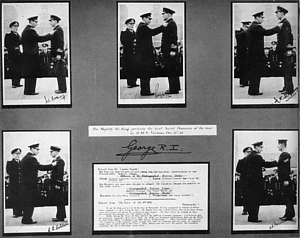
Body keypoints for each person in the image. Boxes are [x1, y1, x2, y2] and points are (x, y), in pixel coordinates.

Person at [20, 143, 56, 224]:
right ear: (32, 149)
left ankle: (25, 218)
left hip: (25, 184)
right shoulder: (31, 159)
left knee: (27, 201)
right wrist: (52, 165)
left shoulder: (25, 158)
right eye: (37, 149)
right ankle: (27, 220)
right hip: (30, 185)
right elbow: (40, 167)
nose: (38, 151)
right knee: (30, 201)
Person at [246, 11, 281, 96]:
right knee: (256, 73)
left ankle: (252, 90)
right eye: (262, 17)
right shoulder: (257, 27)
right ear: (257, 18)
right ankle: (254, 91)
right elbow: (267, 32)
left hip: (252, 54)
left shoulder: (252, 27)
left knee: (254, 72)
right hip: (256, 55)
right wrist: (278, 27)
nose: (262, 19)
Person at [243, 141, 277, 222]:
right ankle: (254, 218)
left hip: (249, 182)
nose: (262, 149)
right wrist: (276, 162)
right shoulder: (256, 156)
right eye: (261, 147)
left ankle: (251, 217)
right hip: (256, 182)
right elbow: (265, 164)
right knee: (256, 200)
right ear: (257, 147)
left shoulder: (249, 156)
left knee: (251, 199)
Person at [21, 16, 53, 95]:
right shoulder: (30, 31)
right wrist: (50, 35)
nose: (36, 23)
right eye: (35, 21)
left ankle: (27, 90)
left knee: (28, 74)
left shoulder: (25, 30)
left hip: (27, 55)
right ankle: (31, 91)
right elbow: (40, 39)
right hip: (32, 56)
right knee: (32, 73)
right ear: (31, 21)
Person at [136, 13, 166, 96]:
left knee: (145, 74)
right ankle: (145, 91)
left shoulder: (141, 26)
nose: (150, 20)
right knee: (145, 73)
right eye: (149, 19)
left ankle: (145, 90)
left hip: (143, 56)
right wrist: (162, 27)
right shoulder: (143, 27)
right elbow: (152, 32)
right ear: (144, 18)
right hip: (144, 56)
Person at [274, 6, 294, 95]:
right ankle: (286, 87)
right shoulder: (283, 23)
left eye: (277, 13)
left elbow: (288, 37)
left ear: (282, 13)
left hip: (285, 51)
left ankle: (289, 89)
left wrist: (288, 49)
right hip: (283, 51)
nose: (276, 15)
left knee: (287, 70)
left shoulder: (285, 23)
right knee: (285, 69)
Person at [161, 7, 180, 94]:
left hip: (169, 51)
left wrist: (172, 50)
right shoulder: (170, 23)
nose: (162, 15)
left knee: (171, 69)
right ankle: (175, 88)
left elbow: (174, 38)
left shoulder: (171, 24)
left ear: (168, 14)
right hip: (168, 50)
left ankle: (173, 89)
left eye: (163, 13)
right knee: (172, 69)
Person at [277, 139, 295, 221]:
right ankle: (289, 213)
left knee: (287, 197)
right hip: (283, 179)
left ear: (282, 145)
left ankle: (289, 214)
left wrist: (286, 179)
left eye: (279, 144)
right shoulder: (283, 155)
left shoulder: (285, 155)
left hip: (285, 180)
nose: (277, 146)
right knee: (287, 196)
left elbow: (286, 169)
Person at [49, 146, 66, 222]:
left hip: (57, 184)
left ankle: (61, 216)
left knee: (60, 200)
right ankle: (59, 215)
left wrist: (58, 184)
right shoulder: (56, 160)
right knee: (58, 199)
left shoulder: (60, 161)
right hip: (55, 183)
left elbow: (60, 174)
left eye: (51, 152)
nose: (50, 153)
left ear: (56, 152)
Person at [120, 18, 139, 88]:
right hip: (127, 54)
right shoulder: (124, 33)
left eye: (133, 24)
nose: (132, 25)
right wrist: (132, 42)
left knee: (135, 68)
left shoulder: (135, 33)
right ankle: (129, 83)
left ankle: (134, 82)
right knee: (128, 68)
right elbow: (123, 42)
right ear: (127, 25)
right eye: (130, 24)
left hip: (134, 54)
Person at [4, 21, 23, 88]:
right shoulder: (8, 35)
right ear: (11, 27)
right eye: (14, 26)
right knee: (13, 69)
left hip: (18, 54)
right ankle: (14, 83)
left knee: (19, 68)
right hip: (12, 54)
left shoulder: (18, 35)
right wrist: (14, 48)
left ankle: (18, 82)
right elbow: (6, 44)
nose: (16, 28)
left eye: (17, 26)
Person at [6, 148, 23, 218]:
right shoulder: (10, 163)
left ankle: (20, 211)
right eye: (16, 154)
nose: (18, 155)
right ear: (13, 154)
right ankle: (15, 212)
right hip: (14, 183)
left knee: (20, 197)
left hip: (21, 183)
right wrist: (19, 173)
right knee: (14, 197)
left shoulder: (21, 162)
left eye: (19, 154)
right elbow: (9, 172)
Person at [236, 146, 252, 215]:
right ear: (244, 153)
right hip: (244, 180)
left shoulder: (252, 161)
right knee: (245, 195)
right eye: (247, 152)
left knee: (251, 195)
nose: (249, 153)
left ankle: (251, 209)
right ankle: (245, 209)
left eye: (250, 152)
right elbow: (238, 169)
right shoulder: (241, 161)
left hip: (251, 181)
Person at [235, 21, 251, 87]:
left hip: (247, 53)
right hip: (241, 53)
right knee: (241, 68)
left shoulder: (246, 33)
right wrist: (246, 31)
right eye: (247, 27)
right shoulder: (238, 32)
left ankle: (246, 81)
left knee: (247, 67)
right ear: (244, 26)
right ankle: (242, 82)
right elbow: (239, 36)